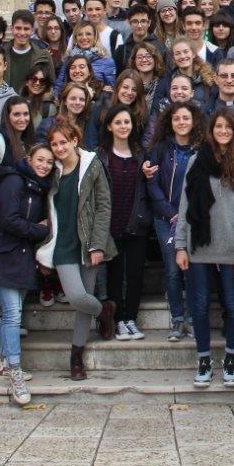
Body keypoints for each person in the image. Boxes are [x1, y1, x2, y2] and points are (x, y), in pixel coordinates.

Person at [176, 109, 234, 389]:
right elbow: (185, 206)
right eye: (218, 126)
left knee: (233, 305)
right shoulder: (196, 161)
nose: (223, 131)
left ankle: (231, 359)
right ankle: (203, 360)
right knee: (199, 306)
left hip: (231, 248)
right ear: (211, 130)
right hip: (199, 247)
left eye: (228, 127)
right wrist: (180, 246)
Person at [38, 120, 118, 380]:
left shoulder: (92, 165)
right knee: (76, 297)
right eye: (54, 144)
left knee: (84, 298)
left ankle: (76, 356)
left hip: (87, 242)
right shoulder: (53, 171)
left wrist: (97, 244)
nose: (59, 148)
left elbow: (104, 206)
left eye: (64, 142)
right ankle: (104, 310)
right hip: (62, 244)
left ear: (74, 140)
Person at [0, 143, 53, 406]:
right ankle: (15, 371)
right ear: (29, 159)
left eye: (49, 162)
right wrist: (41, 230)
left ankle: (4, 364)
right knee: (12, 314)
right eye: (40, 160)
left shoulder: (38, 187)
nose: (44, 165)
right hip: (3, 256)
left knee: (12, 312)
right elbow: (9, 220)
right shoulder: (13, 181)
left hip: (21, 258)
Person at [143, 101, 203, 342]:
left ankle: (194, 319)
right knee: (172, 269)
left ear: (193, 121)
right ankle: (178, 319)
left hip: (193, 220)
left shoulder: (201, 148)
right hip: (166, 219)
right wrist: (171, 213)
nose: (181, 122)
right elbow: (152, 184)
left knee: (193, 270)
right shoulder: (161, 149)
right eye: (177, 118)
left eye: (186, 118)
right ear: (170, 121)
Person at [98, 104, 150, 340]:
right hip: (111, 224)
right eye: (118, 122)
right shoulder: (101, 155)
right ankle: (118, 320)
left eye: (126, 122)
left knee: (136, 273)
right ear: (109, 126)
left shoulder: (141, 154)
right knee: (115, 275)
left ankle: (131, 318)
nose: (123, 126)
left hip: (136, 222)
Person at [5, 9, 55, 90]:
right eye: (18, 28)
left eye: (26, 29)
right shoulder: (1, 54)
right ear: (12, 29)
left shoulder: (44, 56)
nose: (22, 33)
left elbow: (51, 85)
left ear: (32, 30)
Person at [0, 96, 35, 165]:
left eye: (26, 114)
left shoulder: (30, 142)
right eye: (17, 114)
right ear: (7, 117)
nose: (22, 119)